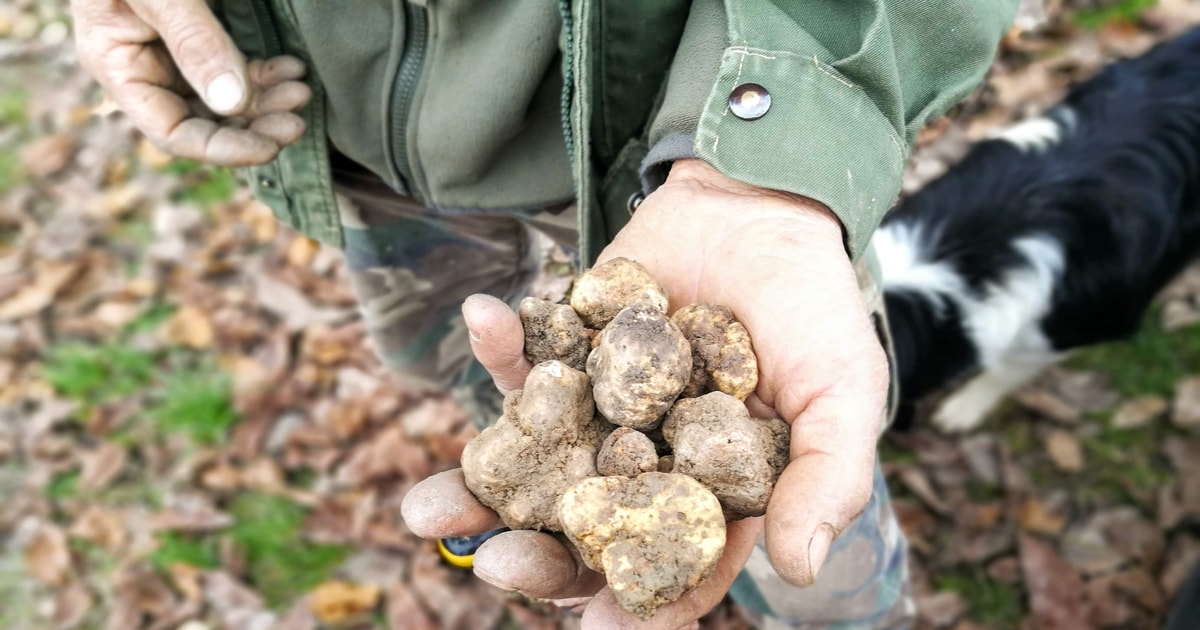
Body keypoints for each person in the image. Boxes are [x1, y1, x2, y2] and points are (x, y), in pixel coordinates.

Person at [71, 1, 1019, 627]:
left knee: (806, 486)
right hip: (362, 146)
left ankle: (845, 608)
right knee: (476, 362)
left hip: (700, 132)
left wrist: (768, 160)